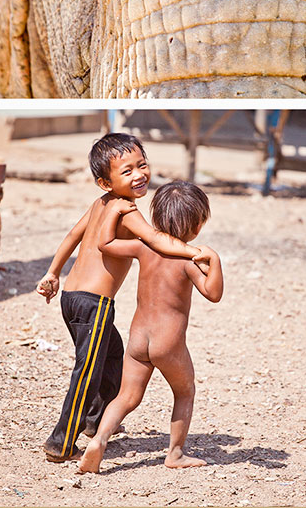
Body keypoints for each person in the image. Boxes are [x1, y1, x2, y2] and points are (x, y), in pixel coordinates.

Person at [35, 134, 209, 463]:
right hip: (95, 303)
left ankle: (95, 421)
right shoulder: (127, 210)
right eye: (127, 171)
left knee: (113, 356)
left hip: (71, 297)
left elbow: (73, 236)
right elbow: (156, 239)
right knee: (87, 371)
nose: (139, 175)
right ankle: (61, 441)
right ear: (105, 181)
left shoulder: (101, 204)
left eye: (142, 165)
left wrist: (53, 273)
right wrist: (193, 251)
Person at [79, 182, 223, 472]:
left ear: (156, 218)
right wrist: (215, 260)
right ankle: (175, 454)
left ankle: (100, 441)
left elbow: (105, 243)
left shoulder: (144, 246)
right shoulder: (188, 257)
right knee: (185, 391)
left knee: (127, 396)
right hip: (167, 343)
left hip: (138, 338)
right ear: (197, 226)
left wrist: (114, 213)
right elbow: (214, 293)